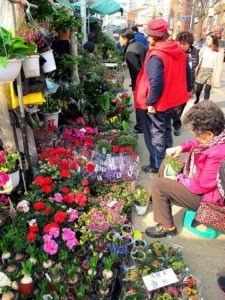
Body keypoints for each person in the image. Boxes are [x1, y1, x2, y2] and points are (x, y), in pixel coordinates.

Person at [145, 101, 225, 238]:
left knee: (159, 185)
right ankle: (160, 200)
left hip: (210, 201)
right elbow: (199, 143)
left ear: (209, 134)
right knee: (167, 163)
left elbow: (201, 186)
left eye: (196, 133)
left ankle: (167, 227)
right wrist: (181, 148)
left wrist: (177, 179)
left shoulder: (218, 153)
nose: (195, 136)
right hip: (202, 184)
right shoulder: (218, 137)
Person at [134, 18, 191, 174]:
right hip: (172, 100)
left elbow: (156, 83)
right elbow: (188, 73)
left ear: (155, 36)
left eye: (149, 35)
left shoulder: (157, 55)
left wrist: (150, 102)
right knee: (166, 131)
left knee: (155, 135)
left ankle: (158, 166)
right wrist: (188, 89)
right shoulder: (177, 49)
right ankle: (170, 163)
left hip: (159, 102)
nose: (147, 38)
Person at [119, 28, 148, 134]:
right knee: (145, 103)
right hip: (147, 78)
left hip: (141, 80)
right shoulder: (139, 45)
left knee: (140, 103)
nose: (119, 41)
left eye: (120, 38)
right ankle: (145, 124)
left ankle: (141, 127)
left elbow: (135, 72)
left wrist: (135, 87)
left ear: (126, 38)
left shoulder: (130, 51)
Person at [172, 31, 199, 136]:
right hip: (176, 84)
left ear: (190, 44)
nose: (182, 46)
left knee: (181, 106)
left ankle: (176, 121)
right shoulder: (174, 53)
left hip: (187, 84)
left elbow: (193, 70)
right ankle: (176, 123)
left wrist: (191, 87)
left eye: (185, 44)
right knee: (175, 107)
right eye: (180, 43)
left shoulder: (194, 52)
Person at [195, 32, 224, 104]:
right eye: (206, 39)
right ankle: (197, 98)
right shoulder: (204, 49)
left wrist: (218, 76)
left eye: (208, 39)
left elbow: (220, 65)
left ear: (213, 40)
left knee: (207, 90)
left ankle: (205, 104)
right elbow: (198, 59)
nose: (206, 41)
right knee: (198, 89)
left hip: (212, 72)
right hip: (202, 70)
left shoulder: (220, 51)